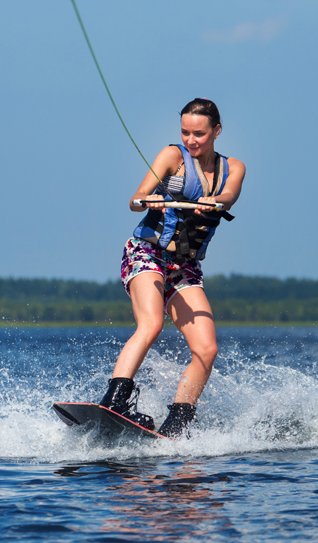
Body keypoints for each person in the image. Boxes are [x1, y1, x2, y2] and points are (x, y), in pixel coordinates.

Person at [97, 98, 246, 438]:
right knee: (150, 323)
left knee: (207, 349)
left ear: (217, 131)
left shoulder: (233, 168)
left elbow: (230, 196)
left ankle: (176, 426)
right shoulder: (173, 157)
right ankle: (115, 400)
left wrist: (216, 200)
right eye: (185, 133)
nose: (191, 141)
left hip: (184, 266)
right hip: (147, 253)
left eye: (199, 134)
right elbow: (137, 197)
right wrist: (146, 199)